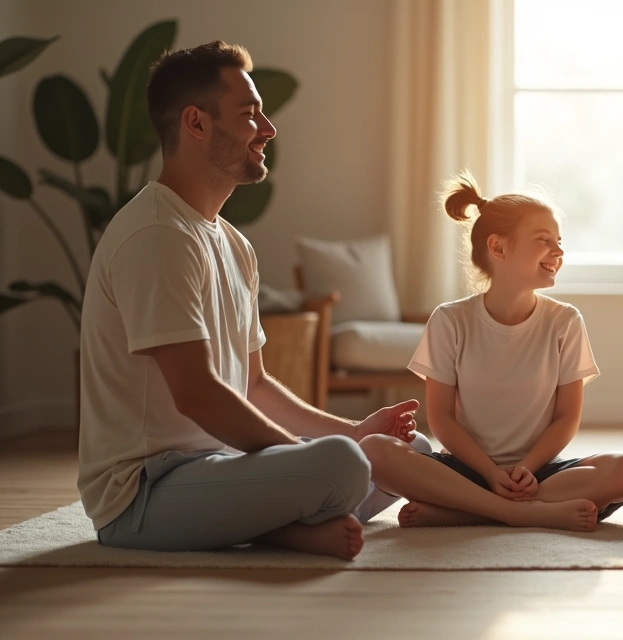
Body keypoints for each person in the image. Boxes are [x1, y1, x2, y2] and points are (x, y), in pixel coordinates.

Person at [78, 41, 430, 561]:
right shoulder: (157, 235)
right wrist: (326, 456)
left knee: (407, 452)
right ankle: (287, 522)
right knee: (346, 465)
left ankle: (281, 527)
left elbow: (256, 384)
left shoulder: (233, 244)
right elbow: (196, 395)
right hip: (145, 494)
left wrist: (356, 431)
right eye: (249, 114)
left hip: (220, 468)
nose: (267, 129)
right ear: (196, 124)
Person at [357, 172, 623, 532]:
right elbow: (441, 418)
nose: (558, 251)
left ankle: (467, 512)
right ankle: (518, 513)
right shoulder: (449, 320)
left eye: (559, 241)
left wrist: (526, 469)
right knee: (376, 450)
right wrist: (490, 473)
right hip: (467, 470)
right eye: (543, 240)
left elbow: (567, 417)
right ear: (498, 247)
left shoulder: (565, 321)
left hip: (538, 473)